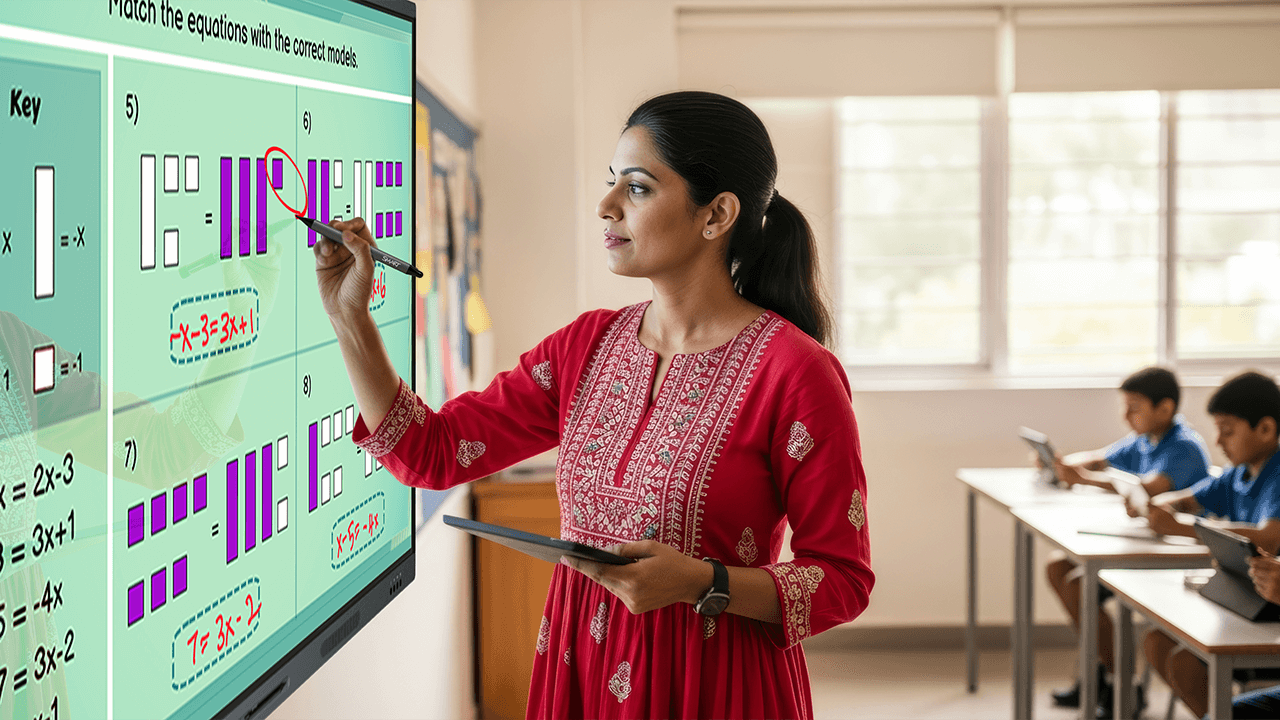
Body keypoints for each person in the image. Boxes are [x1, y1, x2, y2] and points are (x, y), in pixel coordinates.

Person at [315, 91, 875, 719]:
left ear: (715, 214)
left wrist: (703, 581)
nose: (605, 206)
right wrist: (350, 319)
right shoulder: (587, 346)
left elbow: (843, 580)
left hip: (715, 687)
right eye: (613, 183)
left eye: (637, 189)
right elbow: (431, 453)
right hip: (579, 671)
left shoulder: (797, 373)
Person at [1043, 367, 1211, 715]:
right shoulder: (1144, 439)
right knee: (1058, 566)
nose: (1126, 415)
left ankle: (1123, 686)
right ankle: (1100, 675)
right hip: (1146, 542)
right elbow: (1102, 457)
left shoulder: (1184, 447)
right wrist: (1063, 464)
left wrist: (1084, 478)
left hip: (1179, 554)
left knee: (1079, 584)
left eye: (1135, 407)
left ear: (1164, 409)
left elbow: (1149, 489)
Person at [1141, 370, 1280, 719]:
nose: (1218, 441)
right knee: (1158, 641)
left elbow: (1269, 538)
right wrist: (1167, 505)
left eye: (1228, 430)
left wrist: (1185, 526)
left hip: (1266, 613)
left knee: (1185, 658)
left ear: (1265, 429)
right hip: (1245, 597)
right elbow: (1189, 500)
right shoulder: (1238, 473)